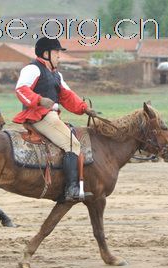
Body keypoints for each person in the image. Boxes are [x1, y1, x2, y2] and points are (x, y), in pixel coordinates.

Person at [13, 37, 97, 202]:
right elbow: (21, 90)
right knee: (73, 144)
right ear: (46, 54)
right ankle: (71, 189)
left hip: (50, 116)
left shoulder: (56, 75)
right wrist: (39, 100)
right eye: (57, 52)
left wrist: (84, 108)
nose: (59, 56)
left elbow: (67, 95)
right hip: (40, 116)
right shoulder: (32, 69)